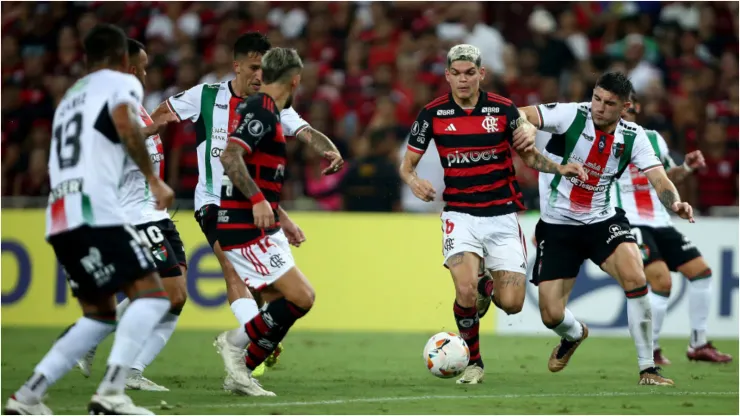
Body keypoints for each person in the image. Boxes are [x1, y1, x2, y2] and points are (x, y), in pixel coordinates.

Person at [148, 32, 343, 384]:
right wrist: (133, 140)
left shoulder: (272, 105)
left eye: (264, 68)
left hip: (253, 202)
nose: (258, 75)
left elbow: (307, 132)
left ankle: (250, 345)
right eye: (253, 67)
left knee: (274, 292)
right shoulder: (206, 96)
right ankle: (244, 343)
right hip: (213, 199)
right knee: (232, 270)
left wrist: (329, 149)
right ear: (236, 66)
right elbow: (159, 116)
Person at [5, 24, 174, 415]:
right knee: (152, 296)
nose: (144, 75)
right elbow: (124, 124)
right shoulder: (120, 83)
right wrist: (153, 178)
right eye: (141, 67)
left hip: (61, 217)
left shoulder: (71, 97)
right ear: (123, 60)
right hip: (96, 212)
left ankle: (27, 398)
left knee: (99, 316)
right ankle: (112, 393)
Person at [399, 44, 587, 385]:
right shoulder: (432, 114)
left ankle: (489, 286)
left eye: (470, 73)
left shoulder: (503, 110)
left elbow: (529, 158)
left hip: (502, 216)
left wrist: (560, 168)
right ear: (447, 76)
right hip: (460, 214)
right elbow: (406, 165)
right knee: (465, 290)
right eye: (456, 73)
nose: (463, 79)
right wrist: (414, 182)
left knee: (512, 303)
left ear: (481, 74)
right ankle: (475, 362)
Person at [520, 72, 694, 385]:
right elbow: (523, 114)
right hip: (558, 226)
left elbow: (659, 177)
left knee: (636, 277)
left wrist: (675, 204)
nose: (599, 107)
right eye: (597, 98)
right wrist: (527, 130)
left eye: (609, 103)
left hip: (602, 220)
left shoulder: (633, 135)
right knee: (551, 314)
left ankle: (648, 369)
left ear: (625, 106)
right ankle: (574, 334)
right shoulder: (571, 114)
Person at [71, 38, 189, 392]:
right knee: (169, 293)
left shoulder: (136, 105)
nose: (145, 71)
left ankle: (133, 370)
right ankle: (90, 337)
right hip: (132, 216)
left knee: (176, 298)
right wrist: (147, 131)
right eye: (141, 65)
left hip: (155, 214)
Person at [216, 47, 313, 396]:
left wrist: (279, 215)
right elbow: (231, 155)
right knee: (302, 296)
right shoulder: (262, 108)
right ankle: (233, 345)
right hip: (244, 224)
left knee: (282, 305)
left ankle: (241, 374)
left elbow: (259, 168)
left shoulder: (270, 110)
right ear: (295, 80)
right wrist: (257, 200)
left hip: (263, 224)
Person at [615, 91, 732, 364]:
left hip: (660, 220)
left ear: (635, 107)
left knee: (701, 272)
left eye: (627, 108)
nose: (622, 113)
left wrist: (686, 168)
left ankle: (698, 344)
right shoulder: (604, 140)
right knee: (661, 281)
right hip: (629, 221)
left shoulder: (653, 139)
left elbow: (667, 176)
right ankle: (652, 349)